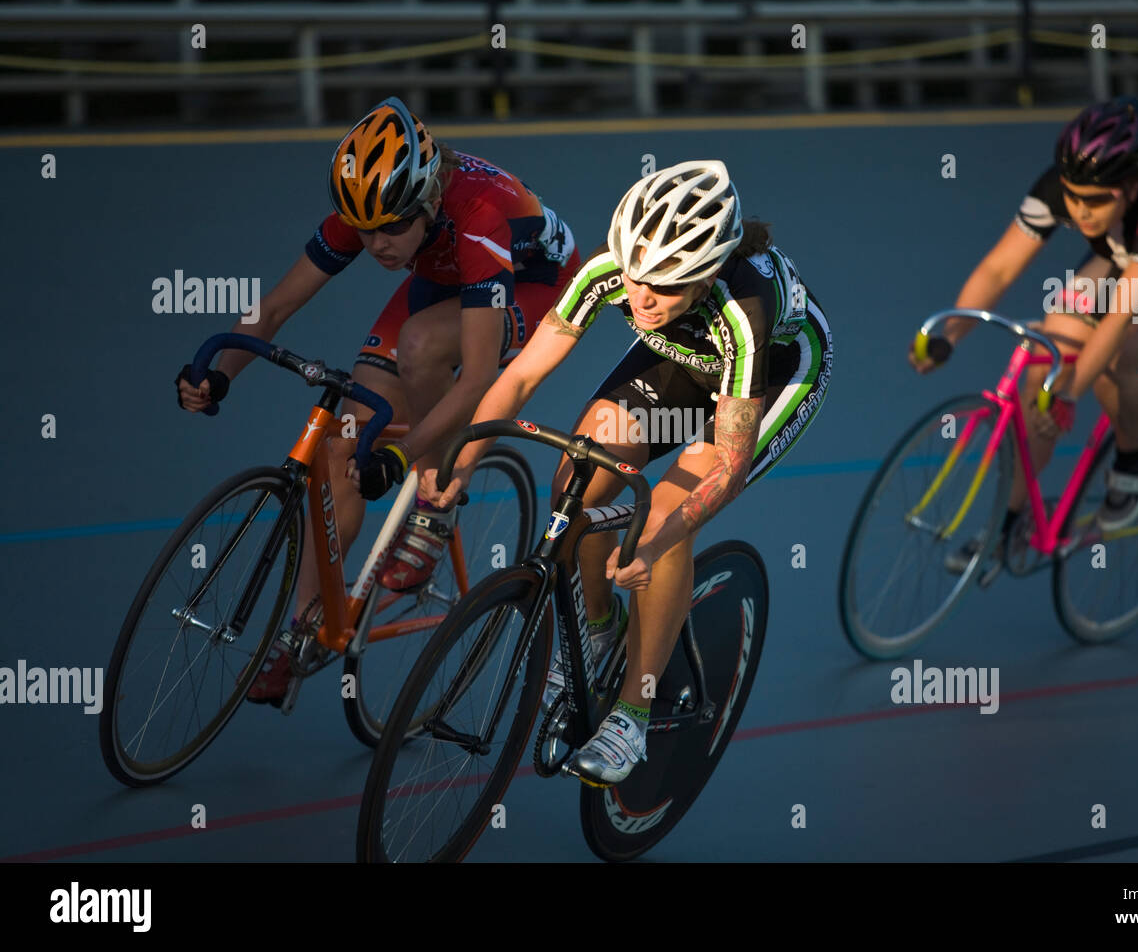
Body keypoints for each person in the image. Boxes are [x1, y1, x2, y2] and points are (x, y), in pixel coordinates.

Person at [421, 160, 833, 785]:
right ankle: (600, 624)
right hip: (678, 356)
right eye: (635, 277)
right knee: (579, 480)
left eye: (663, 287)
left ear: (705, 276)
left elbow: (727, 462)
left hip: (770, 376)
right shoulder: (615, 272)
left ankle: (632, 716)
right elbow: (524, 374)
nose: (639, 298)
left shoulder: (744, 307)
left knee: (661, 519)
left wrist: (661, 538)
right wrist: (465, 459)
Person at [175, 96, 581, 705]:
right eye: (363, 230)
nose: (377, 244)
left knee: (421, 349)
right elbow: (278, 305)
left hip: (534, 284)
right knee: (341, 439)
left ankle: (436, 501)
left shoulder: (479, 217)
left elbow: (475, 380)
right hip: (445, 277)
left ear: (424, 203)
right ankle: (304, 630)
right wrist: (221, 372)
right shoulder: (372, 207)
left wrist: (405, 459)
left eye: (391, 227)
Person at [913, 96, 1138, 579]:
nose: (1080, 211)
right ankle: (1006, 525)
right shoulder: (1061, 188)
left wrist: (1071, 393)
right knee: (1044, 357)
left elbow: (1119, 317)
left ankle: (1134, 468)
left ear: (1132, 186)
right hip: (1128, 251)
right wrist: (950, 333)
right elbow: (999, 267)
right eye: (1073, 197)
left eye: (1096, 201)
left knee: (1120, 350)